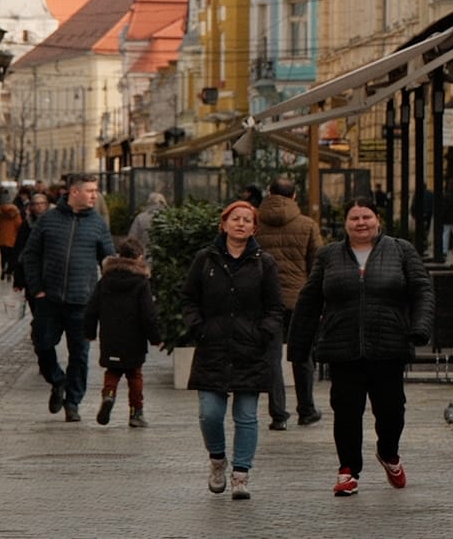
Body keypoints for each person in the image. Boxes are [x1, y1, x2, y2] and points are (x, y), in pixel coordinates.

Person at [291, 196, 434, 498]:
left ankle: (389, 453)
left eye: (366, 217)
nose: (361, 223)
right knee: (346, 411)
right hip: (342, 347)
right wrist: (299, 346)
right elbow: (309, 300)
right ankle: (348, 471)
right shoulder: (329, 255)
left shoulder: (401, 250)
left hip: (389, 346)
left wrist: (420, 327)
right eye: (354, 218)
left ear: (377, 220)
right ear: (345, 224)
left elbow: (422, 290)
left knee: (391, 410)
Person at [183, 202, 284, 500]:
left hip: (250, 350)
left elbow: (275, 307)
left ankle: (241, 474)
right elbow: (189, 299)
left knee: (246, 415)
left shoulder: (264, 263)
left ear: (254, 228)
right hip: (212, 347)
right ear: (223, 224)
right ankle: (217, 460)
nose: (240, 224)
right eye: (235, 219)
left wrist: (263, 333)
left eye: (247, 220)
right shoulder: (205, 259)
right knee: (210, 414)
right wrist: (198, 328)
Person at [21, 172, 116, 422]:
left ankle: (73, 402)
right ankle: (57, 380)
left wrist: (105, 293)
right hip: (49, 299)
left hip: (82, 301)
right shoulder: (49, 220)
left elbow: (108, 261)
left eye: (95, 190)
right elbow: (30, 255)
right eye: (90, 191)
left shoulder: (97, 224)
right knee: (42, 343)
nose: (95, 195)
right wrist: (37, 289)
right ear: (74, 192)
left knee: (80, 355)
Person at [255, 178, 325, 430]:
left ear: (269, 193)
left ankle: (278, 416)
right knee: (302, 354)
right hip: (299, 300)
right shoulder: (307, 224)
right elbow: (318, 264)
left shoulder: (255, 223)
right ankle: (306, 410)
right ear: (294, 196)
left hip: (265, 301)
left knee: (272, 357)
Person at [85, 237, 158, 428]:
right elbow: (148, 314)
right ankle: (136, 413)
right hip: (134, 337)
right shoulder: (141, 282)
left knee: (112, 371)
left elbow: (92, 308)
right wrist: (156, 338)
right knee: (134, 375)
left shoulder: (106, 279)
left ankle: (109, 395)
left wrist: (89, 332)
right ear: (139, 257)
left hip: (110, 335)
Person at [13, 191, 50, 292]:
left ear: (46, 205)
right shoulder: (26, 224)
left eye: (42, 203)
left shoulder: (52, 223)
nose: (39, 206)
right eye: (36, 204)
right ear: (32, 206)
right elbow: (19, 249)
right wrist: (17, 279)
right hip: (31, 267)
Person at [0, 196, 24, 282]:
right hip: (13, 238)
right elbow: (19, 225)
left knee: (3, 256)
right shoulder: (16, 212)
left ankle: (3, 269)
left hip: (1, 238)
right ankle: (9, 272)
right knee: (11, 257)